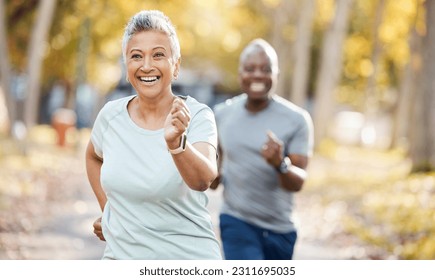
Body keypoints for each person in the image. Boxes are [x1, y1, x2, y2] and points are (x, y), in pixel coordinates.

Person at [85, 10, 222, 260]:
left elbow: (204, 179)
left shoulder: (197, 116)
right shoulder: (110, 116)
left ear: (176, 65)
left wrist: (177, 144)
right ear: (127, 67)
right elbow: (93, 156)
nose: (146, 65)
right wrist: (109, 213)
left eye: (158, 55)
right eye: (136, 56)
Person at [211, 38, 314, 260]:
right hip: (236, 221)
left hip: (280, 229)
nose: (257, 75)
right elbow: (213, 177)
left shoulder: (297, 120)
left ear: (276, 75)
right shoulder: (221, 115)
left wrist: (280, 163)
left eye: (265, 69)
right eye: (250, 69)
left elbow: (298, 182)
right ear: (240, 74)